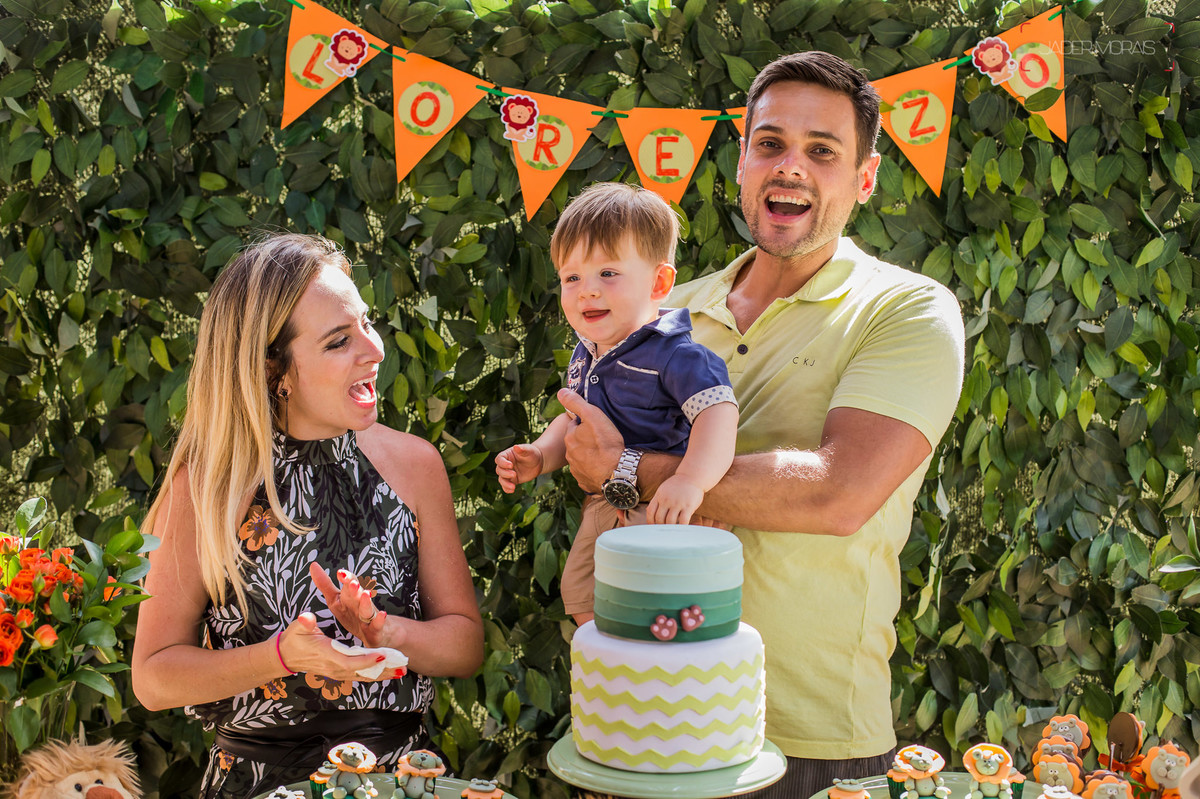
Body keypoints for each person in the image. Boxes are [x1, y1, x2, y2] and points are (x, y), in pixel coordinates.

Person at [558, 52, 967, 798]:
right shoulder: (665, 308)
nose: (791, 167)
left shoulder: (906, 310)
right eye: (771, 143)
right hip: (645, 718)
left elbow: (838, 494)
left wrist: (630, 471)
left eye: (823, 151)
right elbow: (587, 445)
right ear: (742, 161)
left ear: (865, 178)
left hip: (814, 735)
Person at [131, 233, 484, 798]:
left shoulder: (416, 465)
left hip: (401, 780)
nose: (374, 350)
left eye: (366, 324)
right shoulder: (206, 489)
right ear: (277, 371)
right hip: (255, 783)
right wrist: (281, 656)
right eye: (339, 341)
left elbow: (464, 647)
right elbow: (153, 677)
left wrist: (384, 630)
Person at [495, 182, 739, 625]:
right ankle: (614, 663)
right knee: (581, 596)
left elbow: (717, 414)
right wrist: (542, 454)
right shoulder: (586, 352)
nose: (587, 291)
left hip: (661, 509)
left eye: (608, 273)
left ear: (659, 283)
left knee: (651, 606)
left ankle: (658, 660)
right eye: (572, 278)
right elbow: (574, 419)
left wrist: (690, 481)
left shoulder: (677, 354)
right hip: (603, 502)